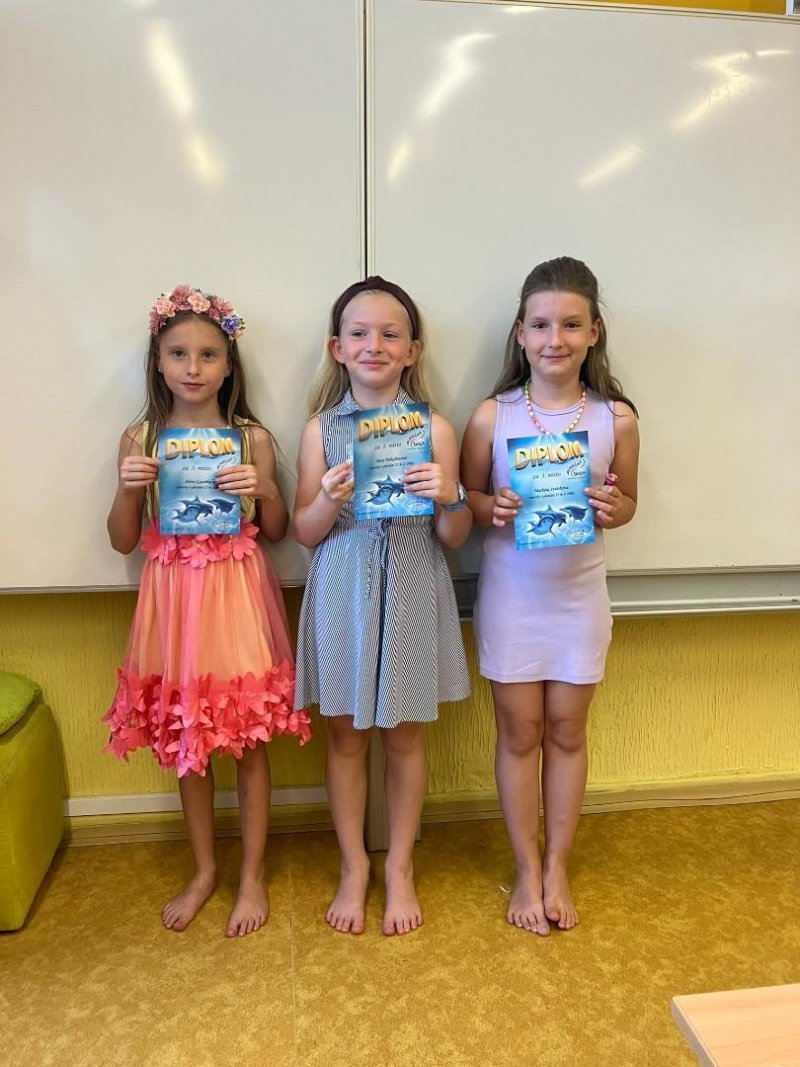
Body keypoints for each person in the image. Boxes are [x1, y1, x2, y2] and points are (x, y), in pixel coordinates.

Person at [104, 285, 311, 937]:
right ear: (158, 362)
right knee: (187, 741)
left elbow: (277, 530)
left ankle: (251, 873)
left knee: (246, 740)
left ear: (228, 364)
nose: (193, 367)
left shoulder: (251, 438)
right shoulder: (141, 438)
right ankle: (203, 870)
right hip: (172, 601)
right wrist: (128, 489)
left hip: (237, 595)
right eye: (178, 353)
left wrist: (267, 487)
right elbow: (121, 539)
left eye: (208, 354)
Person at [460, 257, 639, 935]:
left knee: (567, 731)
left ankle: (558, 864)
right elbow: (468, 502)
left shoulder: (615, 419)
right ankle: (526, 865)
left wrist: (614, 507)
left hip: (579, 600)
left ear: (594, 332)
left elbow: (628, 504)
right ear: (520, 332)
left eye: (569, 324)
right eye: (539, 324)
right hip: (512, 599)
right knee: (519, 733)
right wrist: (492, 506)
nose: (554, 338)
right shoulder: (492, 416)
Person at [293, 277, 471, 936]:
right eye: (360, 334)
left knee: (405, 735)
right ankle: (353, 867)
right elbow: (303, 531)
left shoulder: (436, 429)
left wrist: (450, 495)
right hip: (343, 589)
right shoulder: (320, 431)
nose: (375, 345)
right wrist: (328, 497)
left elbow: (455, 535)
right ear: (337, 348)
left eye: (391, 334)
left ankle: (399, 866)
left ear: (412, 350)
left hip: (413, 584)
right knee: (345, 736)